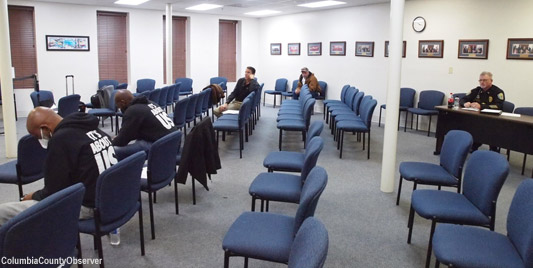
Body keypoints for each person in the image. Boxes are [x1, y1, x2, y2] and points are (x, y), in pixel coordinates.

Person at [0, 107, 117, 226]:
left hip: (87, 206)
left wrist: (31, 196)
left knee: (3, 212)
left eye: (38, 137)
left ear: (45, 128)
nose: (40, 140)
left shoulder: (60, 140)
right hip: (108, 198)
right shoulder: (90, 128)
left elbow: (53, 193)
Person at [113, 89, 177, 160]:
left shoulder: (132, 111)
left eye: (118, 105)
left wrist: (111, 143)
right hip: (173, 142)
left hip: (161, 147)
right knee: (138, 141)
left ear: (122, 102)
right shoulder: (150, 103)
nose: (119, 108)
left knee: (114, 151)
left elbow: (122, 140)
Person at [460, 71, 505, 152]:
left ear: (491, 81)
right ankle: (475, 143)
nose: (482, 82)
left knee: (488, 127)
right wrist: (465, 103)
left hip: (492, 119)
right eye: (480, 80)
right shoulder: (477, 90)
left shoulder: (498, 92)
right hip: (477, 118)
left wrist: (481, 106)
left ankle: (493, 148)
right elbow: (463, 99)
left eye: (485, 80)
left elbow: (499, 106)